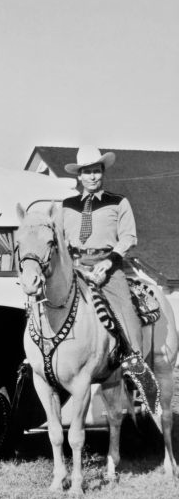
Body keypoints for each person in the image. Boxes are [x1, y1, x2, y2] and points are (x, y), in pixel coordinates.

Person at [61, 146, 152, 383]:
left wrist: (109, 262)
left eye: (96, 171)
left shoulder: (118, 202)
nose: (92, 176)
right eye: (87, 172)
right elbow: (60, 239)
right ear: (78, 176)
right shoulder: (66, 205)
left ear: (103, 173)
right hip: (75, 265)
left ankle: (136, 369)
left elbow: (129, 237)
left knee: (126, 312)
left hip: (108, 267)